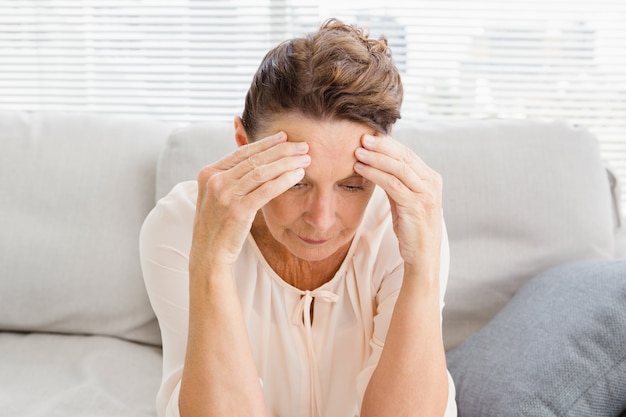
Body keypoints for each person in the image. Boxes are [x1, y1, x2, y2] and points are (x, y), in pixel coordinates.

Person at [140, 18, 457, 417]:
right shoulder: (181, 227)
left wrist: (423, 267)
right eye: (295, 183)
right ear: (243, 146)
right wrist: (211, 264)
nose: (321, 221)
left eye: (352, 185)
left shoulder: (407, 225)